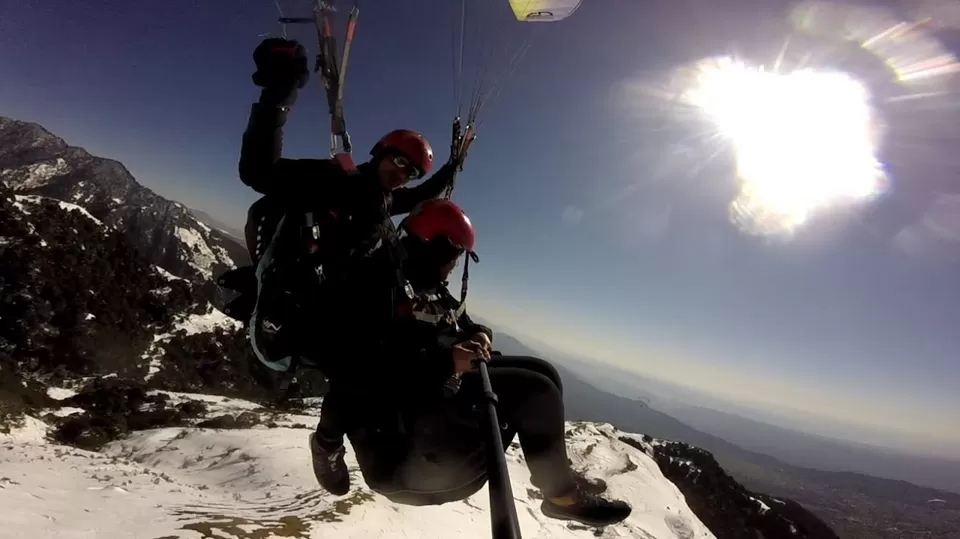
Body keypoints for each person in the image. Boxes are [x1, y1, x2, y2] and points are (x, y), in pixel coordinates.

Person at [307, 199, 633, 527]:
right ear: (437, 248)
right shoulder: (378, 289)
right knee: (536, 391)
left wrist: (480, 335)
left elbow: (460, 323)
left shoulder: (422, 286)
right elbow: (362, 372)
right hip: (400, 460)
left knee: (544, 373)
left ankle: (557, 479)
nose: (453, 265)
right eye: (454, 255)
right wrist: (447, 361)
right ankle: (562, 497)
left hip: (424, 426)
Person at [218, 37, 459, 377]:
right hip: (292, 321)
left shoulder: (381, 198)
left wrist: (452, 168)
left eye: (412, 172)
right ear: (381, 152)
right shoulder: (336, 180)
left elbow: (413, 198)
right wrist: (279, 94)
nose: (402, 175)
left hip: (320, 321)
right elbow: (259, 171)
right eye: (400, 162)